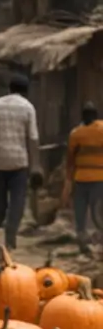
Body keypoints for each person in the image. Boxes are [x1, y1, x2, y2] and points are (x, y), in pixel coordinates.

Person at [0, 74, 39, 250]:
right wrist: (35, 162)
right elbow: (33, 137)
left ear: (9, 88)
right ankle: (10, 234)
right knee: (17, 200)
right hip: (20, 162)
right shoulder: (28, 108)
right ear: (26, 91)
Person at [63, 101, 103, 252]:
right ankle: (98, 241)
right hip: (100, 179)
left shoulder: (76, 133)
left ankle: (82, 239)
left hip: (81, 179)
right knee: (96, 212)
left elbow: (70, 161)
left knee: (80, 211)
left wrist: (67, 184)